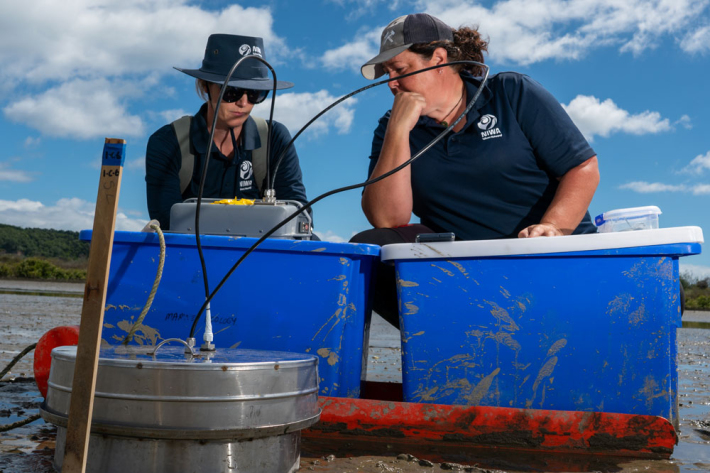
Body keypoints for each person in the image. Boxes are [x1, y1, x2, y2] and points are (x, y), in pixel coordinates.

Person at [351, 13, 600, 327]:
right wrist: (399, 132)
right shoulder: (391, 129)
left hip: (548, 259)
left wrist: (553, 227)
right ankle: (454, 342)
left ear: (438, 59)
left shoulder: (512, 93)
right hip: (469, 278)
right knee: (370, 249)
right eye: (386, 74)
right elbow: (388, 219)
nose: (391, 83)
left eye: (400, 70)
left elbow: (582, 167)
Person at [146, 34, 308, 230]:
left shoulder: (275, 138)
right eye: (232, 91)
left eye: (255, 93)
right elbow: (166, 222)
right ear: (205, 86)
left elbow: (299, 217)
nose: (243, 102)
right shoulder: (167, 142)